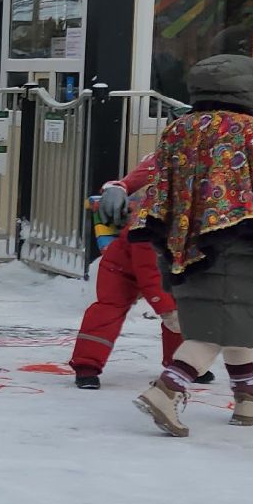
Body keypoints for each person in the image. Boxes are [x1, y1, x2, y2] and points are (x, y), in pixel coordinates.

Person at [129, 55, 253, 436]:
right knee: (217, 326)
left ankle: (248, 397)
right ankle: (167, 390)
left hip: (183, 242)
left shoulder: (180, 127)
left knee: (233, 316)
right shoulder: (252, 131)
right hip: (237, 240)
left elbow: (162, 182)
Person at [70, 153, 192, 390]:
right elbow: (150, 274)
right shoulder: (149, 225)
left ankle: (180, 365)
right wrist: (165, 308)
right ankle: (87, 365)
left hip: (165, 267)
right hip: (120, 268)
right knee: (108, 310)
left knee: (182, 308)